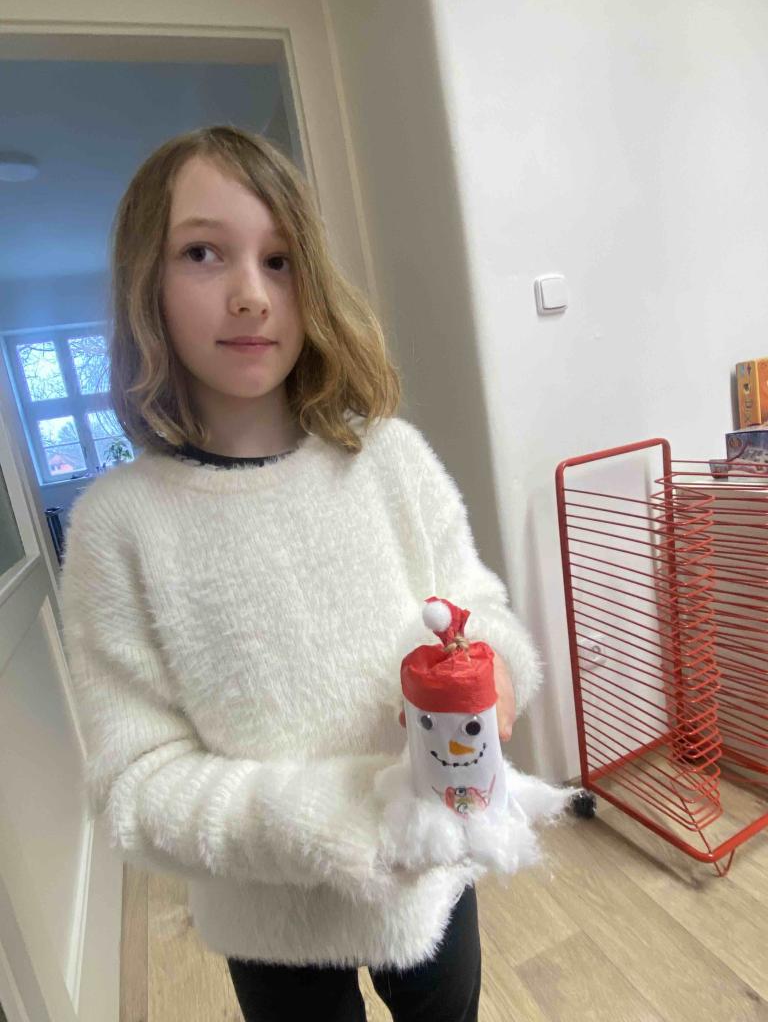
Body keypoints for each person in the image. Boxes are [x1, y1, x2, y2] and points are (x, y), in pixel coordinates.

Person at [58, 124, 544, 1022]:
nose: (251, 295)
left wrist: (499, 667)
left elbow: (472, 601)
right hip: (269, 917)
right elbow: (137, 780)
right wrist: (326, 821)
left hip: (431, 874)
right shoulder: (118, 527)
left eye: (279, 260)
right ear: (145, 283)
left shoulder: (390, 461)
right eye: (203, 253)